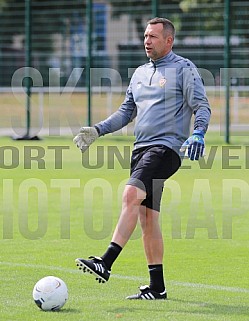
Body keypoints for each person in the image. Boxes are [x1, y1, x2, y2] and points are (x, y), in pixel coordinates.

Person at [73, 17, 211, 300]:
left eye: (153, 37)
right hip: (141, 151)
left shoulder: (184, 69)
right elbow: (126, 112)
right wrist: (98, 129)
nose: (147, 41)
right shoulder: (138, 73)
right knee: (148, 217)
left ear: (168, 41)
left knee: (130, 195)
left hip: (166, 149)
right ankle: (157, 287)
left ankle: (105, 262)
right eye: (145, 36)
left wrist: (198, 133)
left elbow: (201, 105)